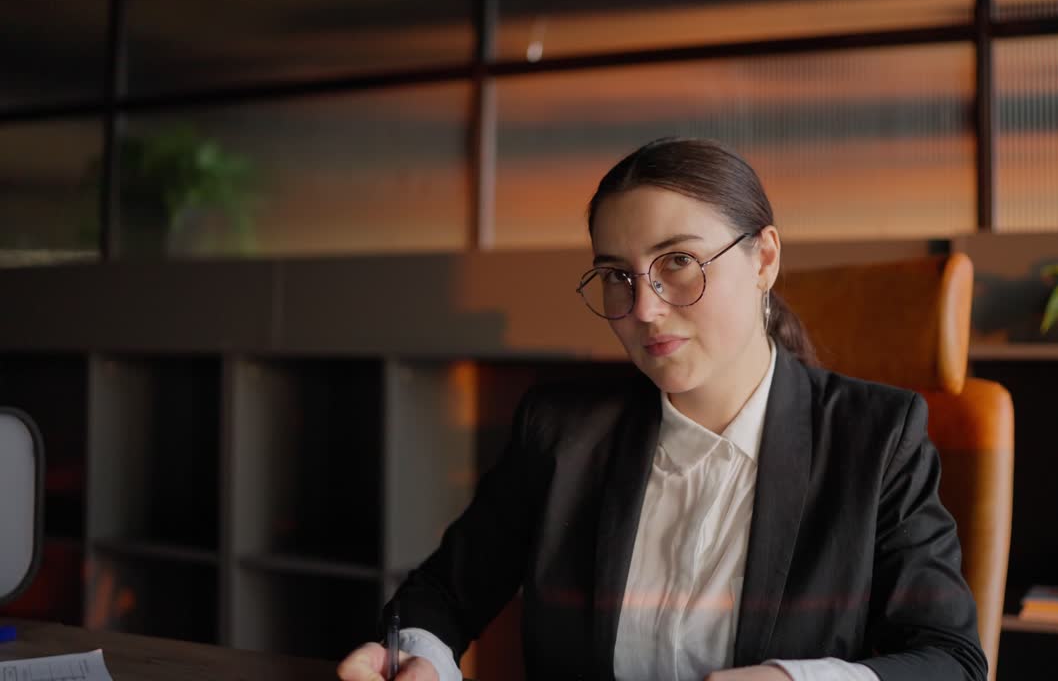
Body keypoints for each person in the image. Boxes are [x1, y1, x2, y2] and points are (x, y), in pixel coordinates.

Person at [337, 138, 986, 681]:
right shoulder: (562, 431)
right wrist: (418, 655)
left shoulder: (876, 439)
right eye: (617, 275)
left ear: (764, 259)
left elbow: (951, 660)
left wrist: (796, 680)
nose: (644, 309)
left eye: (678, 261)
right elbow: (441, 596)